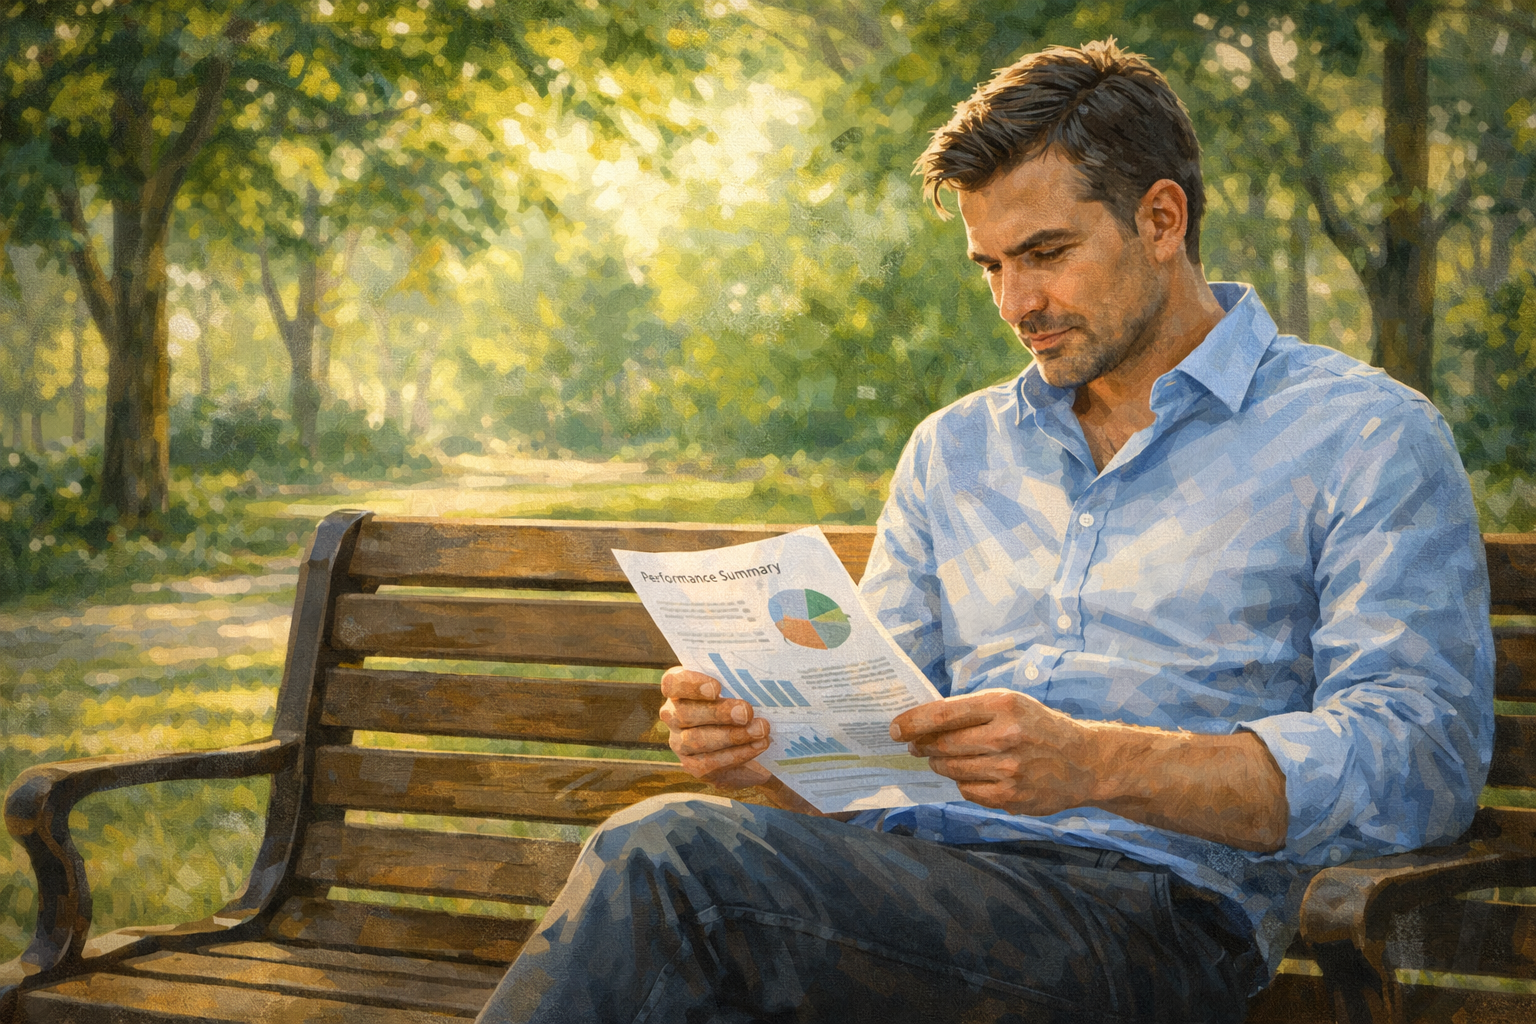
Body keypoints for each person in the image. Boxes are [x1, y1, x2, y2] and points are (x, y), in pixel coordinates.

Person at [475, 38, 1493, 1024]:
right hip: (916, 895)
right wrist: (768, 756)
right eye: (990, 266)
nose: (1017, 303)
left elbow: (1422, 758)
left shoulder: (1363, 435)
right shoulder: (955, 449)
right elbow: (877, 747)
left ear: (1161, 219)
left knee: (666, 857)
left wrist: (1097, 764)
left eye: (1046, 254)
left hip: (1152, 924)